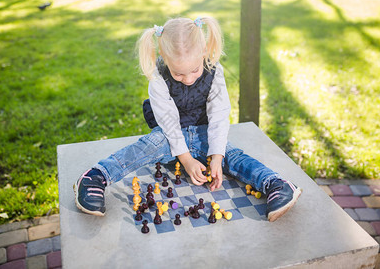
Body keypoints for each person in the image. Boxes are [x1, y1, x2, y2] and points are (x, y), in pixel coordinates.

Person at [74, 16, 301, 222]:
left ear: (203, 52)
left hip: (204, 133)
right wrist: (186, 159)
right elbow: (170, 123)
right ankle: (96, 176)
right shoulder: (158, 77)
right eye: (179, 74)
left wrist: (216, 155)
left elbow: (219, 116)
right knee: (148, 146)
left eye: (194, 70)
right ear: (164, 58)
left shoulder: (214, 70)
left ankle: (275, 183)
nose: (189, 79)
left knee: (233, 156)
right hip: (171, 137)